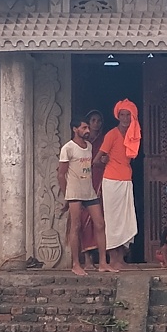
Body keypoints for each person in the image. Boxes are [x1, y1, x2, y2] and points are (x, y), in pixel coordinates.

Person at [96, 99, 140, 271]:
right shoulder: (112, 134)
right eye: (122, 114)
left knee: (125, 221)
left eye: (128, 115)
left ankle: (120, 260)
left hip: (126, 180)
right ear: (117, 116)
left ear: (132, 116)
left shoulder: (133, 134)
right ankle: (113, 260)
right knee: (114, 222)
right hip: (112, 181)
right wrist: (105, 161)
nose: (125, 118)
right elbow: (97, 160)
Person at [56, 115, 101, 274]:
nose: (87, 130)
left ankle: (103, 263)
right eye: (84, 128)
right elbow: (61, 174)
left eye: (87, 127)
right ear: (75, 129)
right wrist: (67, 196)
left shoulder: (88, 146)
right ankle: (76, 264)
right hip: (74, 192)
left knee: (100, 223)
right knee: (76, 225)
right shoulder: (67, 148)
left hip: (89, 190)